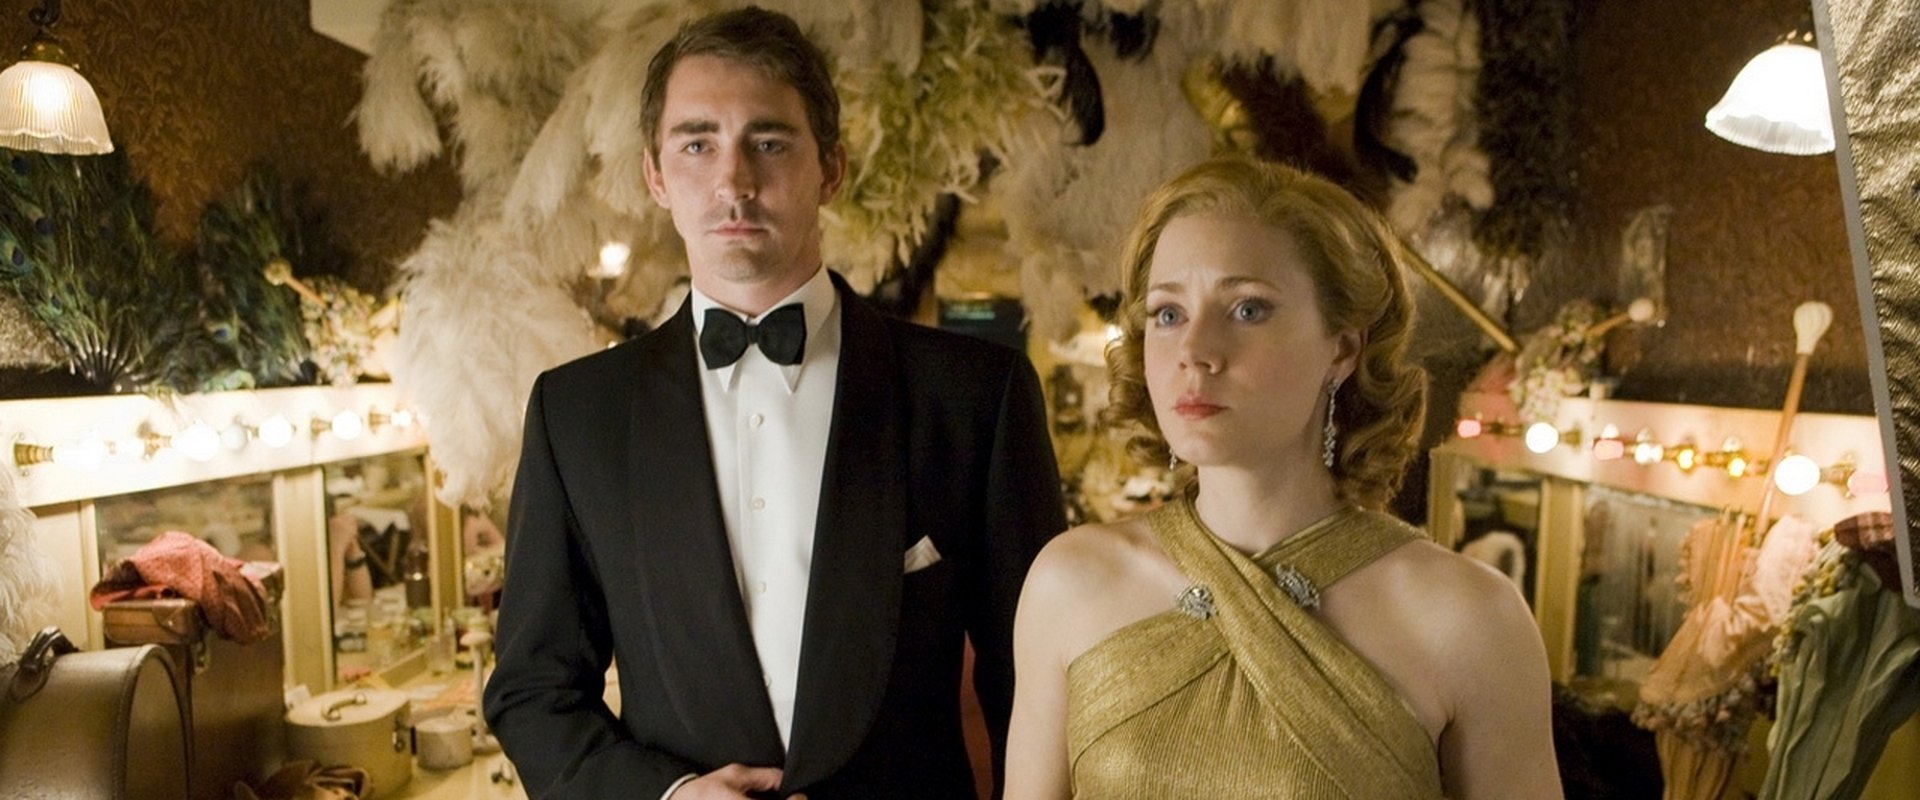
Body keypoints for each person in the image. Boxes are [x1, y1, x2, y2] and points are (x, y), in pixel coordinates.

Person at [483, 7, 1067, 800]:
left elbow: (1038, 683)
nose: (733, 182)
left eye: (769, 142)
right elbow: (532, 691)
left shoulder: (974, 396)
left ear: (832, 169)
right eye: (697, 144)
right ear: (655, 176)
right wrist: (665, 796)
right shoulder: (575, 415)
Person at [1003, 156, 1562, 799]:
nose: (1194, 351)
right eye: (1168, 313)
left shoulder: (1470, 618)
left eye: (1248, 310)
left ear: (1342, 349)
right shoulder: (1069, 583)